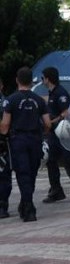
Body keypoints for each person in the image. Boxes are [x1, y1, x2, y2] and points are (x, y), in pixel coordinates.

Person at [0, 67, 51, 221]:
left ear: (17, 80)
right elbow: (48, 124)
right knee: (32, 172)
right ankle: (26, 203)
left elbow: (5, 126)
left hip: (18, 140)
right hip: (35, 139)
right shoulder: (39, 100)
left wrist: (4, 134)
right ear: (31, 81)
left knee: (23, 173)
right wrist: (42, 133)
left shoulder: (10, 100)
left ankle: (28, 207)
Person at [41, 67, 70, 203]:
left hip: (65, 134)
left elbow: (67, 112)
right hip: (54, 135)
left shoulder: (60, 93)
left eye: (43, 78)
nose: (42, 81)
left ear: (48, 79)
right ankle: (56, 190)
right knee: (51, 161)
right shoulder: (52, 93)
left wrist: (53, 121)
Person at [0, 79, 10, 219]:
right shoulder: (6, 101)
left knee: (3, 176)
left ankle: (2, 205)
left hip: (3, 143)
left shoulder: (6, 102)